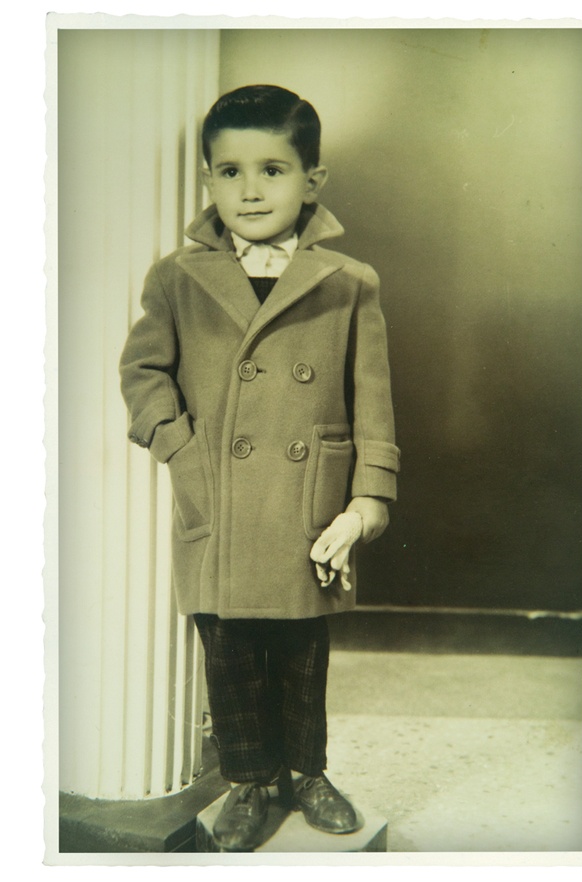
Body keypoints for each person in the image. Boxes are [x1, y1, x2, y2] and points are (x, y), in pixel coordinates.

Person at [119, 84, 400, 852]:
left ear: (312, 181)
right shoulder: (177, 279)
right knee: (231, 650)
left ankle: (307, 773)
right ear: (207, 180)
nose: (249, 190)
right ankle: (249, 781)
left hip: (309, 498)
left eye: (271, 170)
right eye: (229, 171)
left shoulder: (349, 282)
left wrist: (369, 495)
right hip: (220, 497)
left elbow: (372, 398)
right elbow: (143, 372)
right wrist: (179, 446)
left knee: (303, 650)